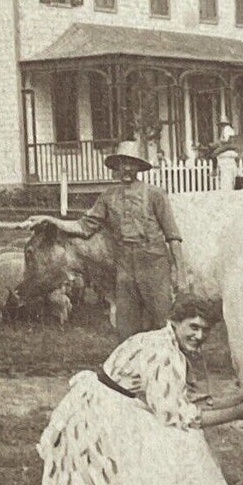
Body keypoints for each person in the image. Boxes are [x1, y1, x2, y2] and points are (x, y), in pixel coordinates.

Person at [15, 295, 243, 485]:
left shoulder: (160, 339)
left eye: (205, 329)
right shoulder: (164, 354)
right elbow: (180, 416)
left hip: (103, 406)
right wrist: (238, 413)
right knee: (185, 442)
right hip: (100, 418)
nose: (199, 335)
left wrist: (235, 399)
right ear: (175, 322)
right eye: (193, 327)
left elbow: (178, 400)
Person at [63, 141, 185, 339]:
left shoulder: (155, 194)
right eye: (122, 163)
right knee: (127, 324)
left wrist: (180, 275)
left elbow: (173, 236)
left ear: (138, 167)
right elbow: (84, 226)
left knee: (162, 321)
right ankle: (130, 366)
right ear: (117, 167)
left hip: (154, 262)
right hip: (125, 265)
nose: (127, 168)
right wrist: (49, 220)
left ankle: (171, 365)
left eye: (132, 163)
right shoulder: (108, 197)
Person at [213, 119, 240, 190]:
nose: (221, 126)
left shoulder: (227, 129)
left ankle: (214, 169)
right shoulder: (227, 129)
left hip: (228, 145)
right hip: (228, 145)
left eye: (221, 125)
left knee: (214, 153)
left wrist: (218, 143)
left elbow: (226, 140)